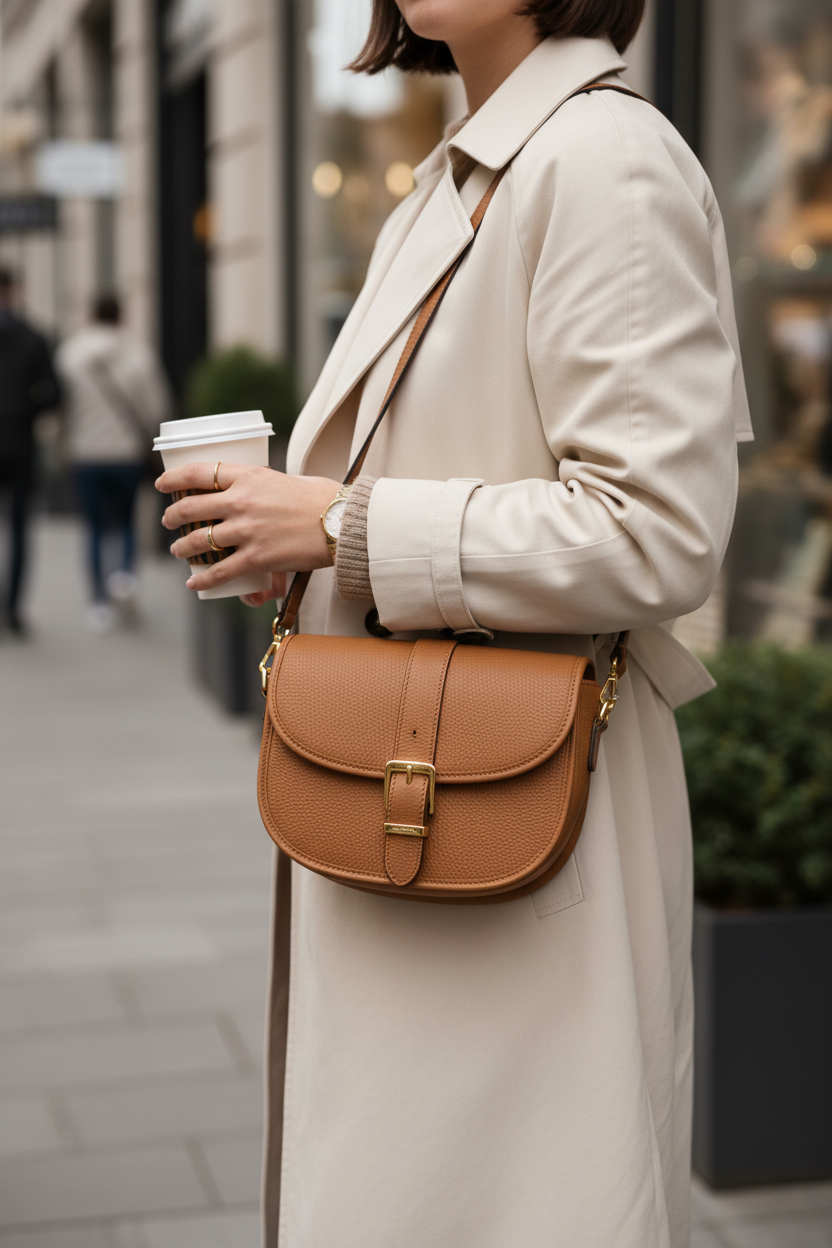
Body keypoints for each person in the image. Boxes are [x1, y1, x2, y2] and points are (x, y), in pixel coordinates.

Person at [159, 2, 751, 1245]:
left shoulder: (601, 160)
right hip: (421, 800)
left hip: (524, 819)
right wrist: (294, 540)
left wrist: (338, 530)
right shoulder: (470, 169)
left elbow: (655, 532)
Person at [58, 293, 173, 631]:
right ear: (121, 316)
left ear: (92, 314)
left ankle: (98, 603)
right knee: (125, 519)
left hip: (86, 454)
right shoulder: (139, 352)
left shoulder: (70, 354)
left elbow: (60, 408)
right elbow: (157, 407)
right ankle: (124, 575)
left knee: (93, 527)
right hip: (126, 454)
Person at [0, 266, 60, 636]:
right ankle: (13, 610)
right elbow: (53, 393)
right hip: (20, 443)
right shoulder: (33, 337)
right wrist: (27, 409)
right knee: (20, 528)